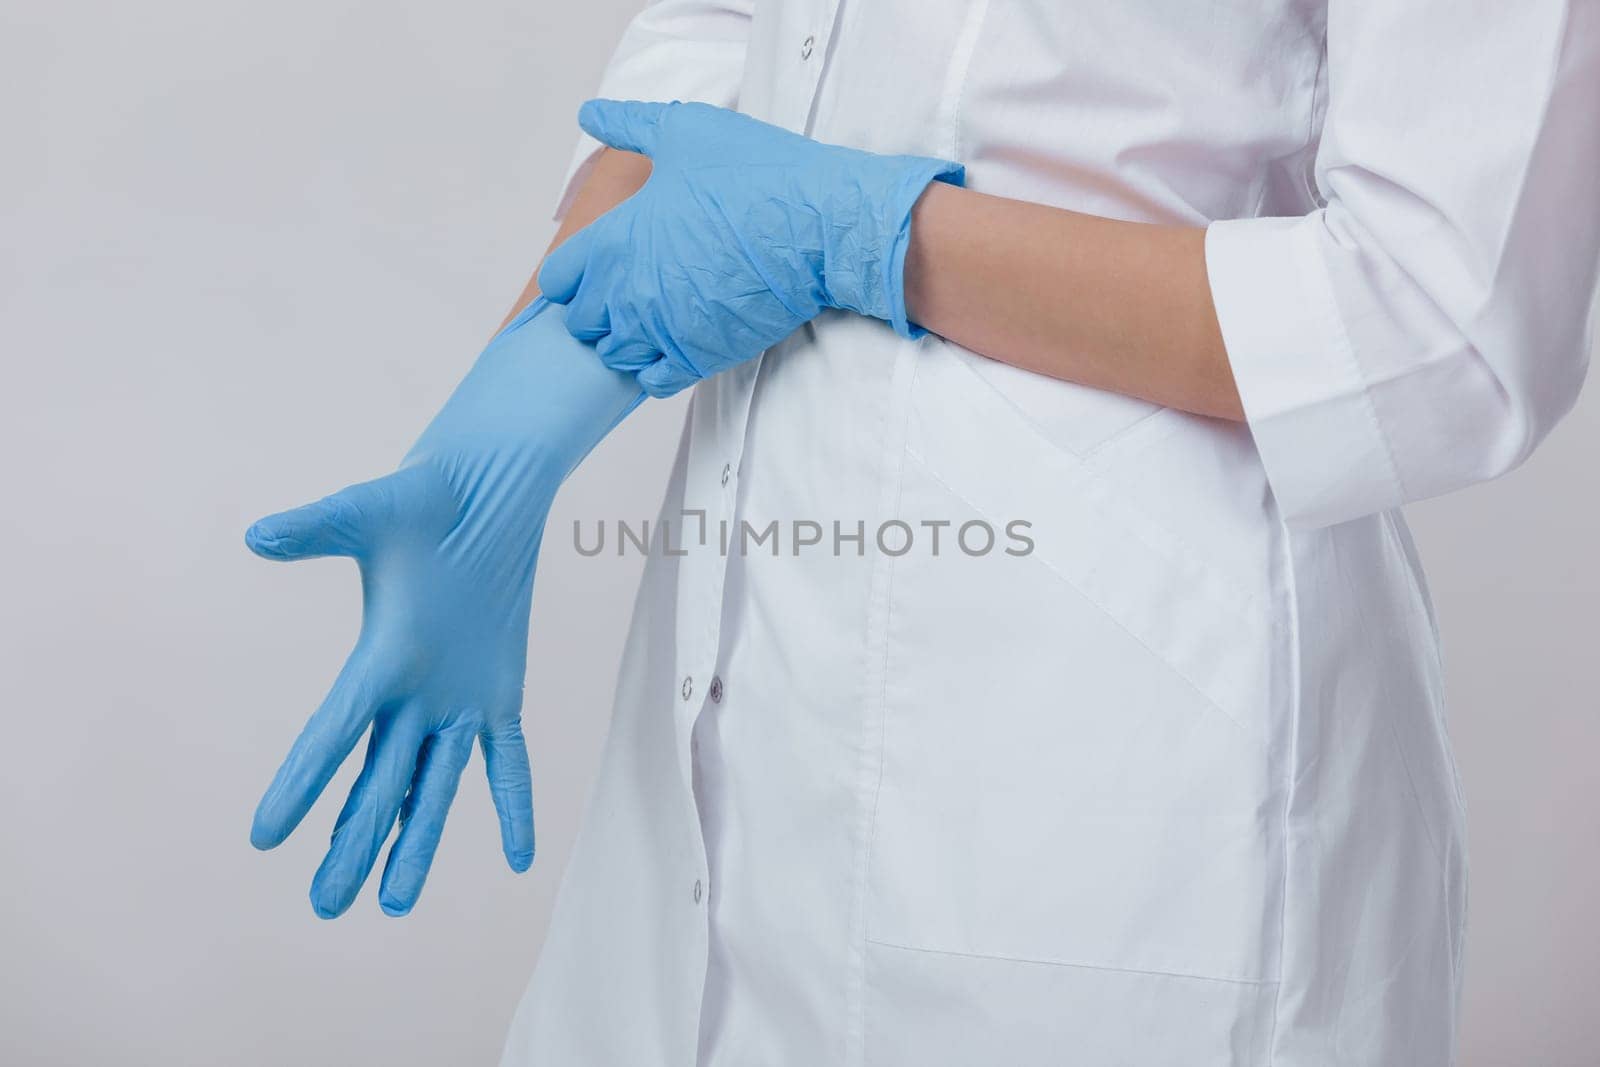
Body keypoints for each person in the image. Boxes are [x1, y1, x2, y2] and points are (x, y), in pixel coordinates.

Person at [246, 0, 1600, 1063]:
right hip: (720, 747)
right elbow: (722, 39)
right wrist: (503, 435)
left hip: (1119, 786)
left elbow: (1444, 324)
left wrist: (871, 237)